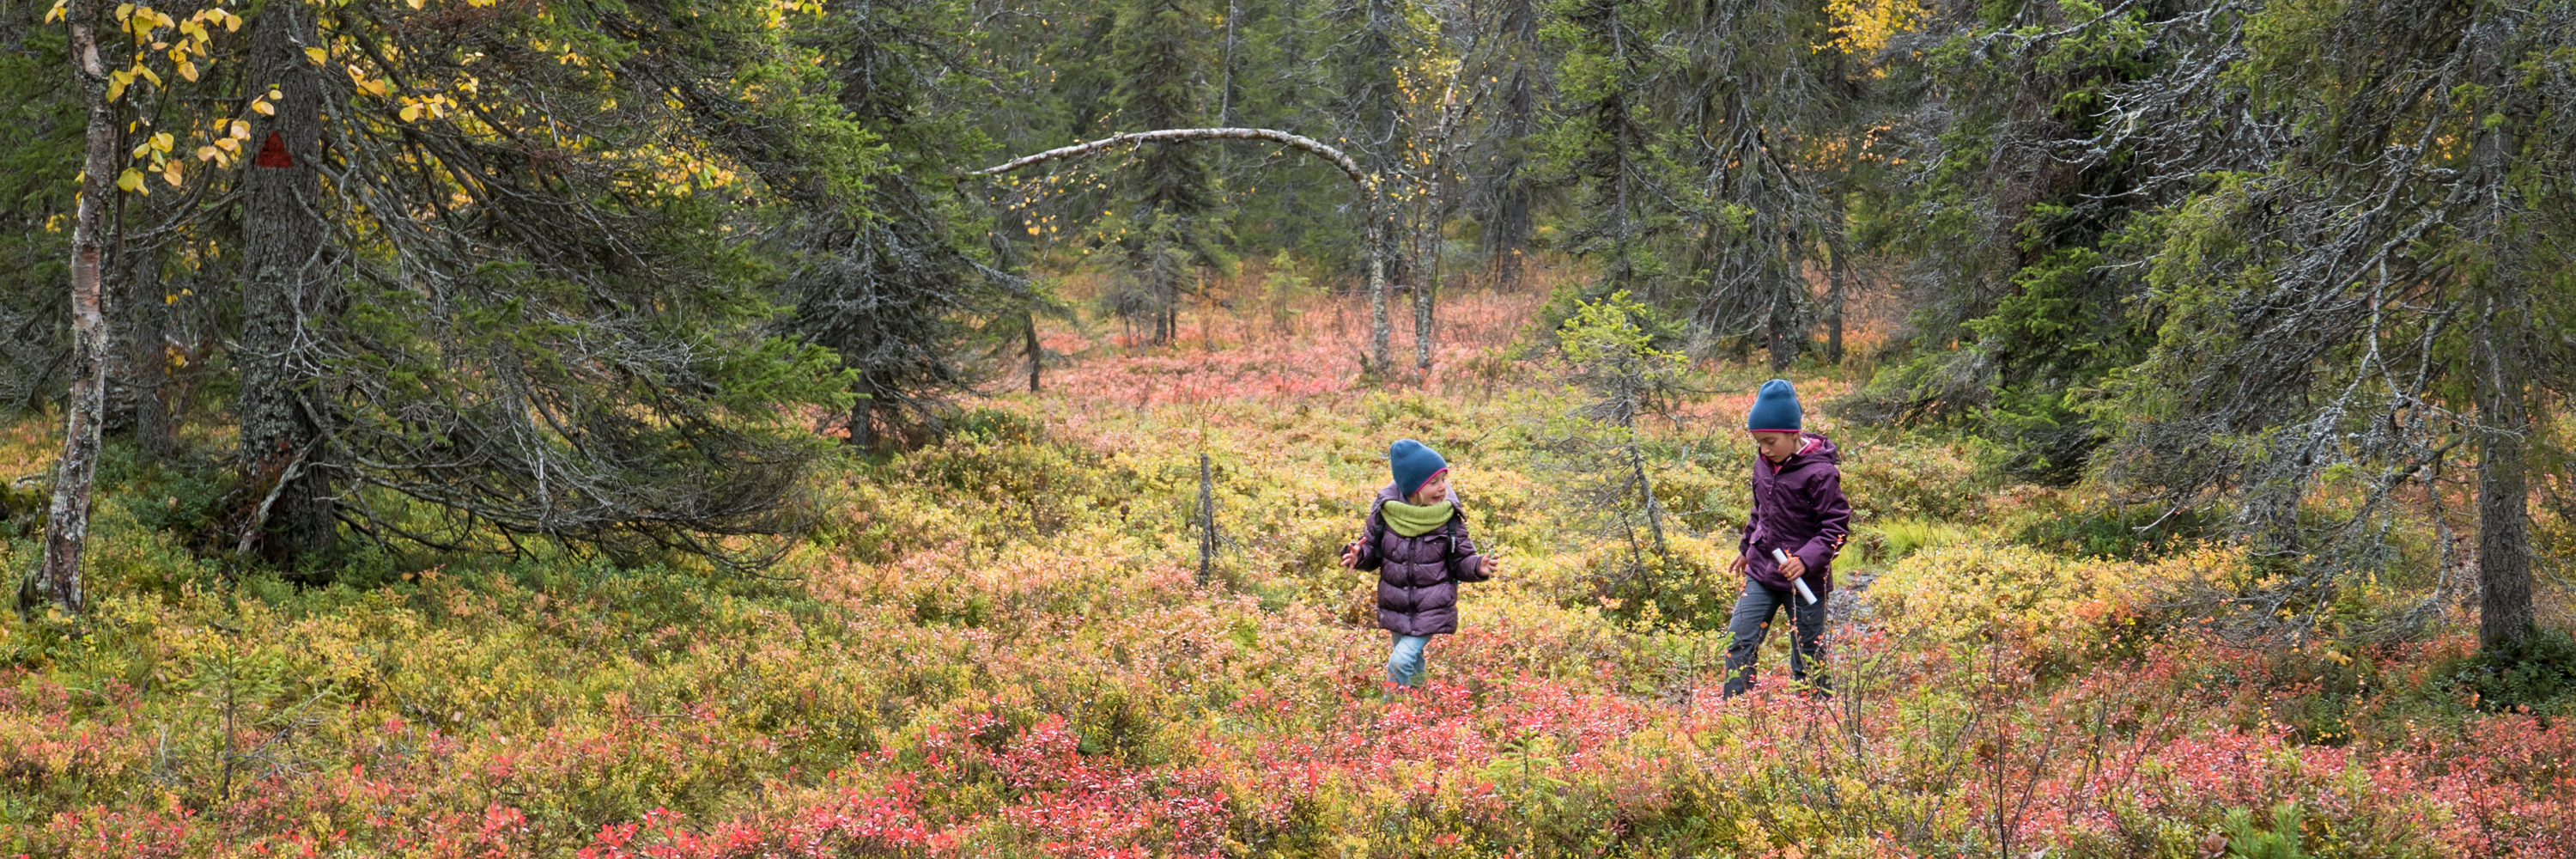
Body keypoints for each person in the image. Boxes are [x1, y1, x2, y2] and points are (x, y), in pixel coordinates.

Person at [1723, 379, 1851, 698]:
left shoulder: (1819, 473)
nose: (1764, 450)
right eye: (1758, 442)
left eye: (1770, 442)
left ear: (1793, 434)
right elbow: (1760, 510)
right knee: (1737, 642)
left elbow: (1836, 526)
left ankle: (1816, 721)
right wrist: (1746, 549)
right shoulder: (1763, 463)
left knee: (1808, 655)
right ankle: (1734, 716)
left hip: (1806, 584)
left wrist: (1805, 561)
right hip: (1762, 572)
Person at [1340, 438, 1499, 689]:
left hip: (1432, 606)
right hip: (1396, 604)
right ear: (1412, 488)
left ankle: (1391, 712)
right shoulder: (1385, 514)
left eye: (1443, 480)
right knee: (1413, 664)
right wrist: (1359, 556)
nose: (1442, 488)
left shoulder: (1448, 517)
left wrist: (1477, 565)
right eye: (1433, 482)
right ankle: (1419, 702)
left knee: (1399, 661)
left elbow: (1462, 560)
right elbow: (1372, 550)